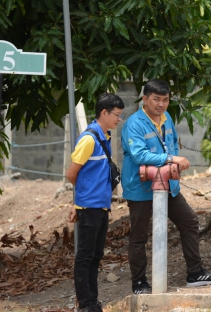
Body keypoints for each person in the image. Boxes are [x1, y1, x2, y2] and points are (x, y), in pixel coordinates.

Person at [121, 78, 211, 294]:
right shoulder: (134, 124)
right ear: (145, 99)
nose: (161, 104)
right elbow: (139, 155)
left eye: (165, 100)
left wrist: (171, 161)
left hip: (168, 185)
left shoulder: (166, 117)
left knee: (189, 221)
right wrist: (171, 159)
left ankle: (195, 274)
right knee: (139, 236)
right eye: (156, 99)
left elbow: (172, 142)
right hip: (141, 188)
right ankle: (139, 282)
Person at [66, 93, 125, 312]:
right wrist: (80, 200)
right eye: (116, 115)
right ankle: (85, 304)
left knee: (96, 255)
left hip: (101, 207)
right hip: (90, 207)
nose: (118, 119)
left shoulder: (104, 137)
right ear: (104, 112)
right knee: (85, 257)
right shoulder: (89, 139)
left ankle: (92, 301)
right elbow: (72, 174)